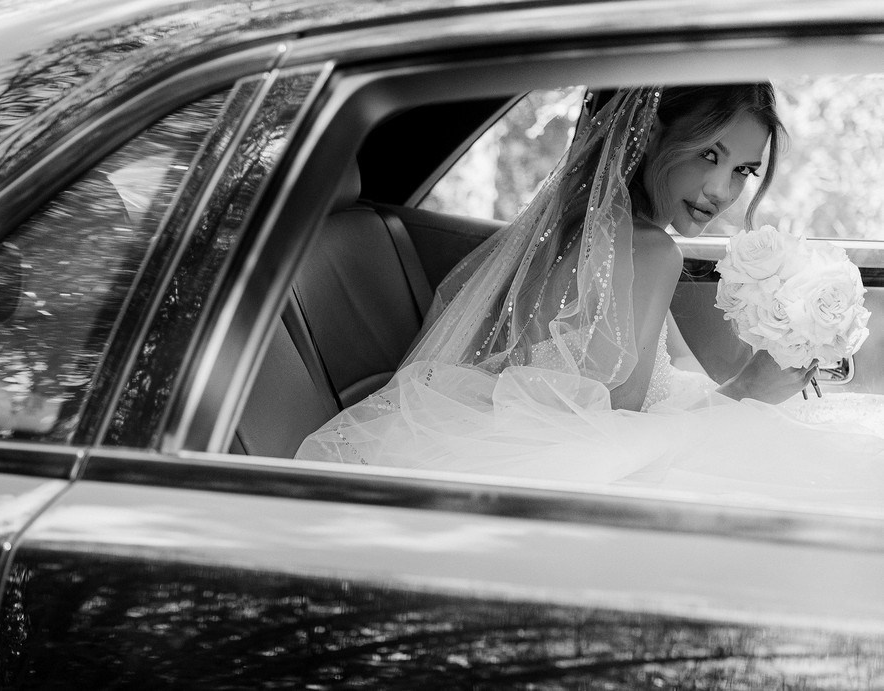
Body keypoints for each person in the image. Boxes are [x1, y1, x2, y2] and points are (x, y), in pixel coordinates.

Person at [296, 84, 884, 511]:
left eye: (743, 171)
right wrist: (748, 391)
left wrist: (758, 359)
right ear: (651, 133)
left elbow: (666, 368)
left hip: (512, 447)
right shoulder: (650, 250)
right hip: (581, 471)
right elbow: (618, 432)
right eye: (710, 154)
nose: (722, 189)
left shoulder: (583, 226)